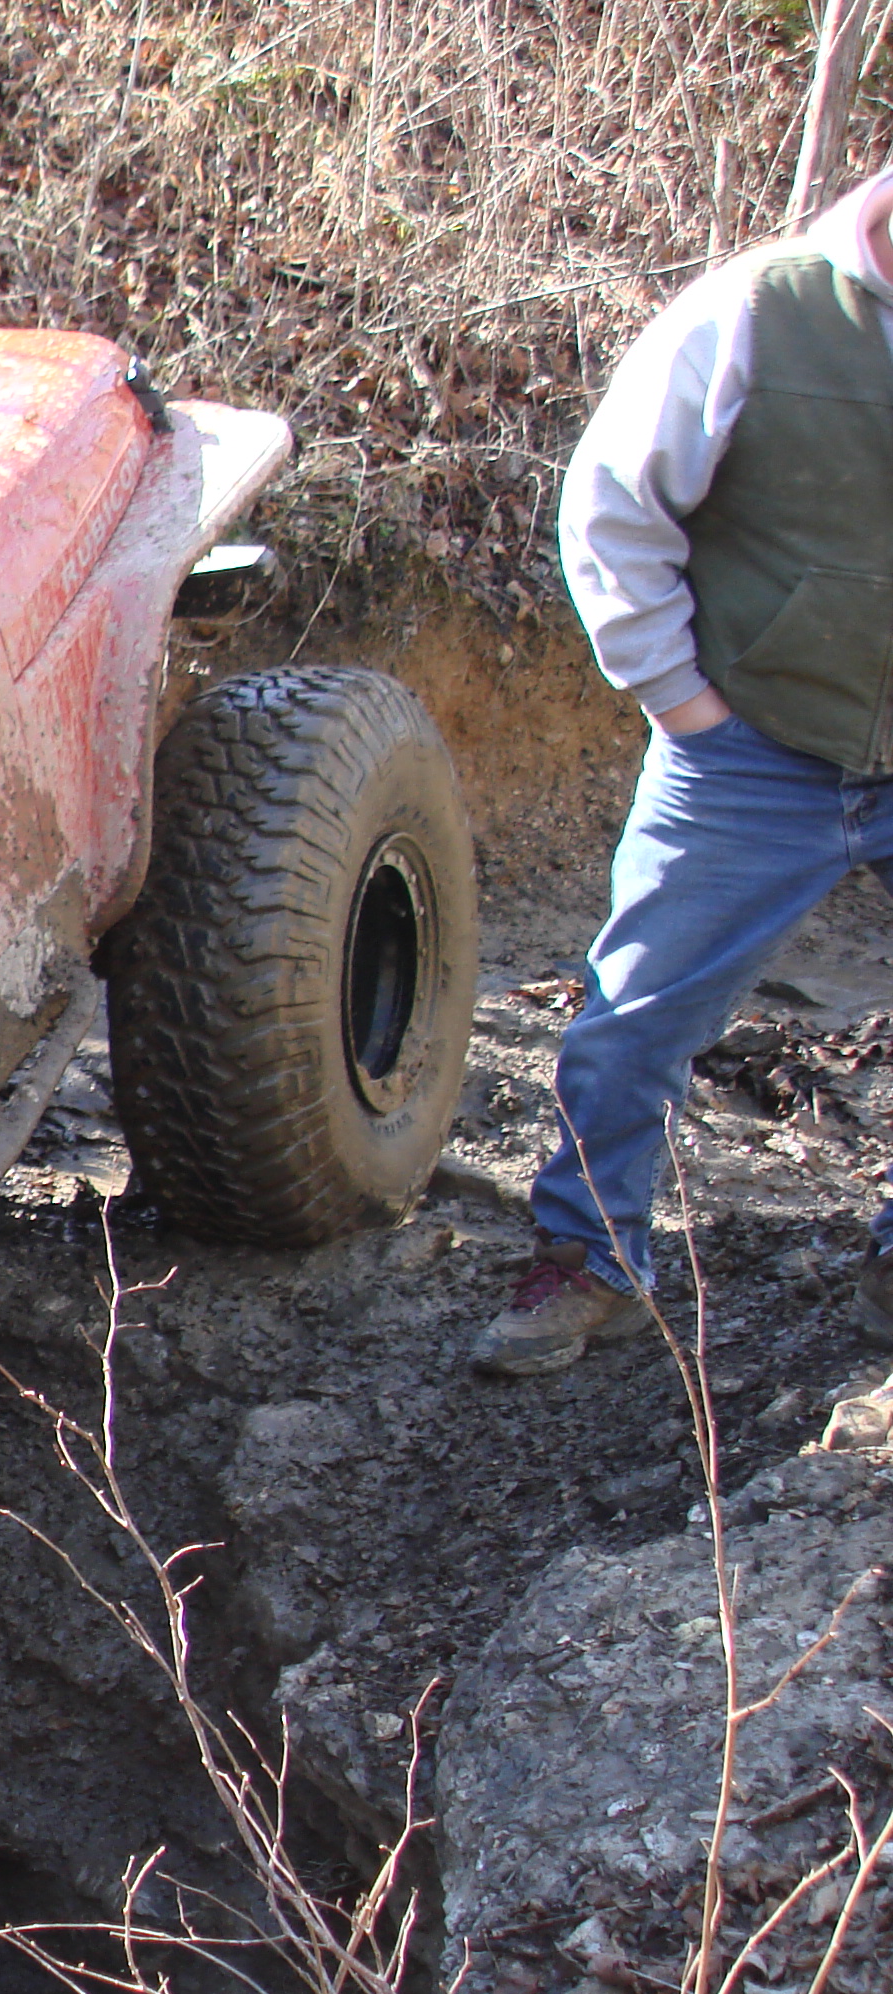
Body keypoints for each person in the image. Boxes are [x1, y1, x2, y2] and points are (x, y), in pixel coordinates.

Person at [471, 164, 893, 1382]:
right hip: (751, 746)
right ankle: (591, 1259)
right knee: (634, 1020)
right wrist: (684, 703)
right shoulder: (759, 312)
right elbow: (614, 508)